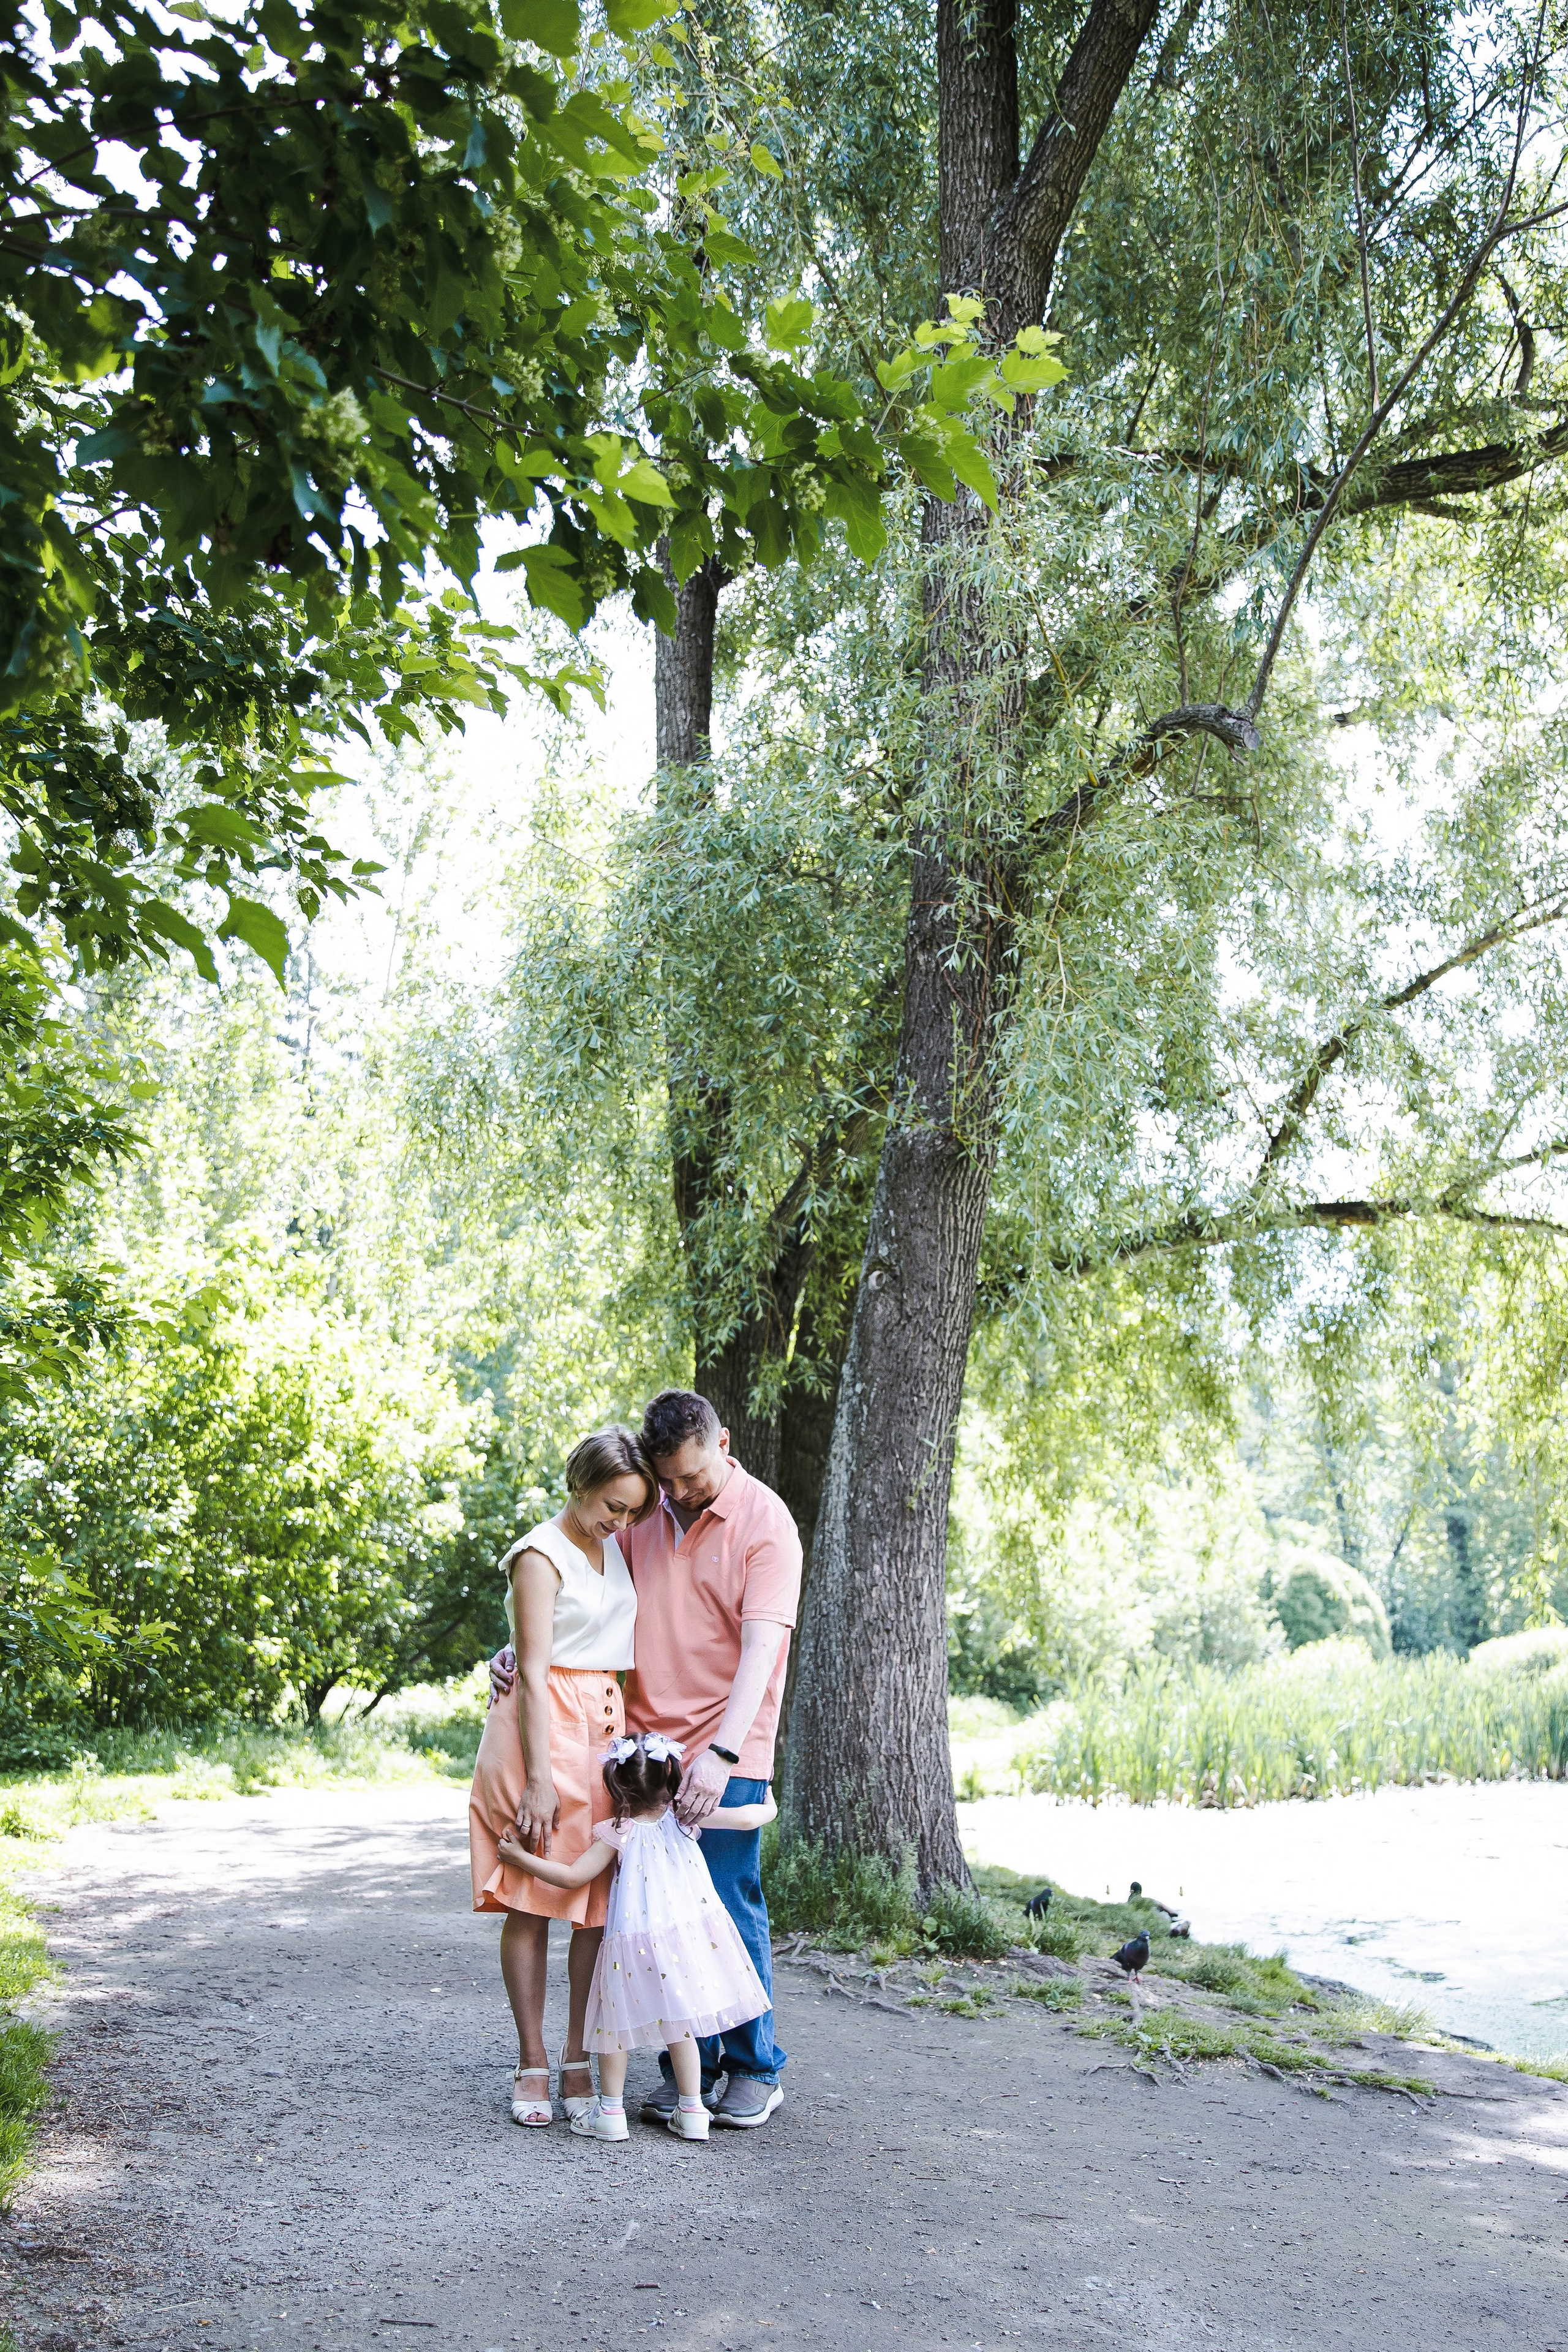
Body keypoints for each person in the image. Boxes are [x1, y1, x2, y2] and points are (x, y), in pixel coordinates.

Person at [490, 1387, 801, 2128]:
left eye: (693, 1477)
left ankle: (755, 2066)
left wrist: (722, 1753)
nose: (681, 1493)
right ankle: (686, 2064)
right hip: (640, 1756)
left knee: (724, 1906)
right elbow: (585, 1603)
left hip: (726, 1747)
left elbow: (762, 1649)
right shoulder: (647, 1517)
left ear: (723, 1445)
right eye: (669, 1481)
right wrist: (517, 1650)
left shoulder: (767, 1525)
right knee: (654, 1919)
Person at [469, 1426, 655, 2127]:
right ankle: (532, 2059)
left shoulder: (614, 1548)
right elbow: (536, 1666)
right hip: (542, 1728)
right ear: (578, 1485)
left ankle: (579, 2055)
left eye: (633, 1510)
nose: (622, 1520)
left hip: (603, 1727)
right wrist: (539, 1779)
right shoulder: (539, 1554)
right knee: (531, 1893)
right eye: (613, 1504)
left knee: (593, 1907)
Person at [497, 1732, 777, 2143]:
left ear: (618, 1787)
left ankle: (610, 2114)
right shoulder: (685, 1820)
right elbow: (749, 1818)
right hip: (685, 1940)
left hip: (632, 1944)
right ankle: (693, 2110)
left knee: (614, 2026)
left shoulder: (617, 1831)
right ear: (673, 1780)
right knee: (681, 2023)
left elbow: (574, 1877)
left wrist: (521, 1858)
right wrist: (770, 1798)